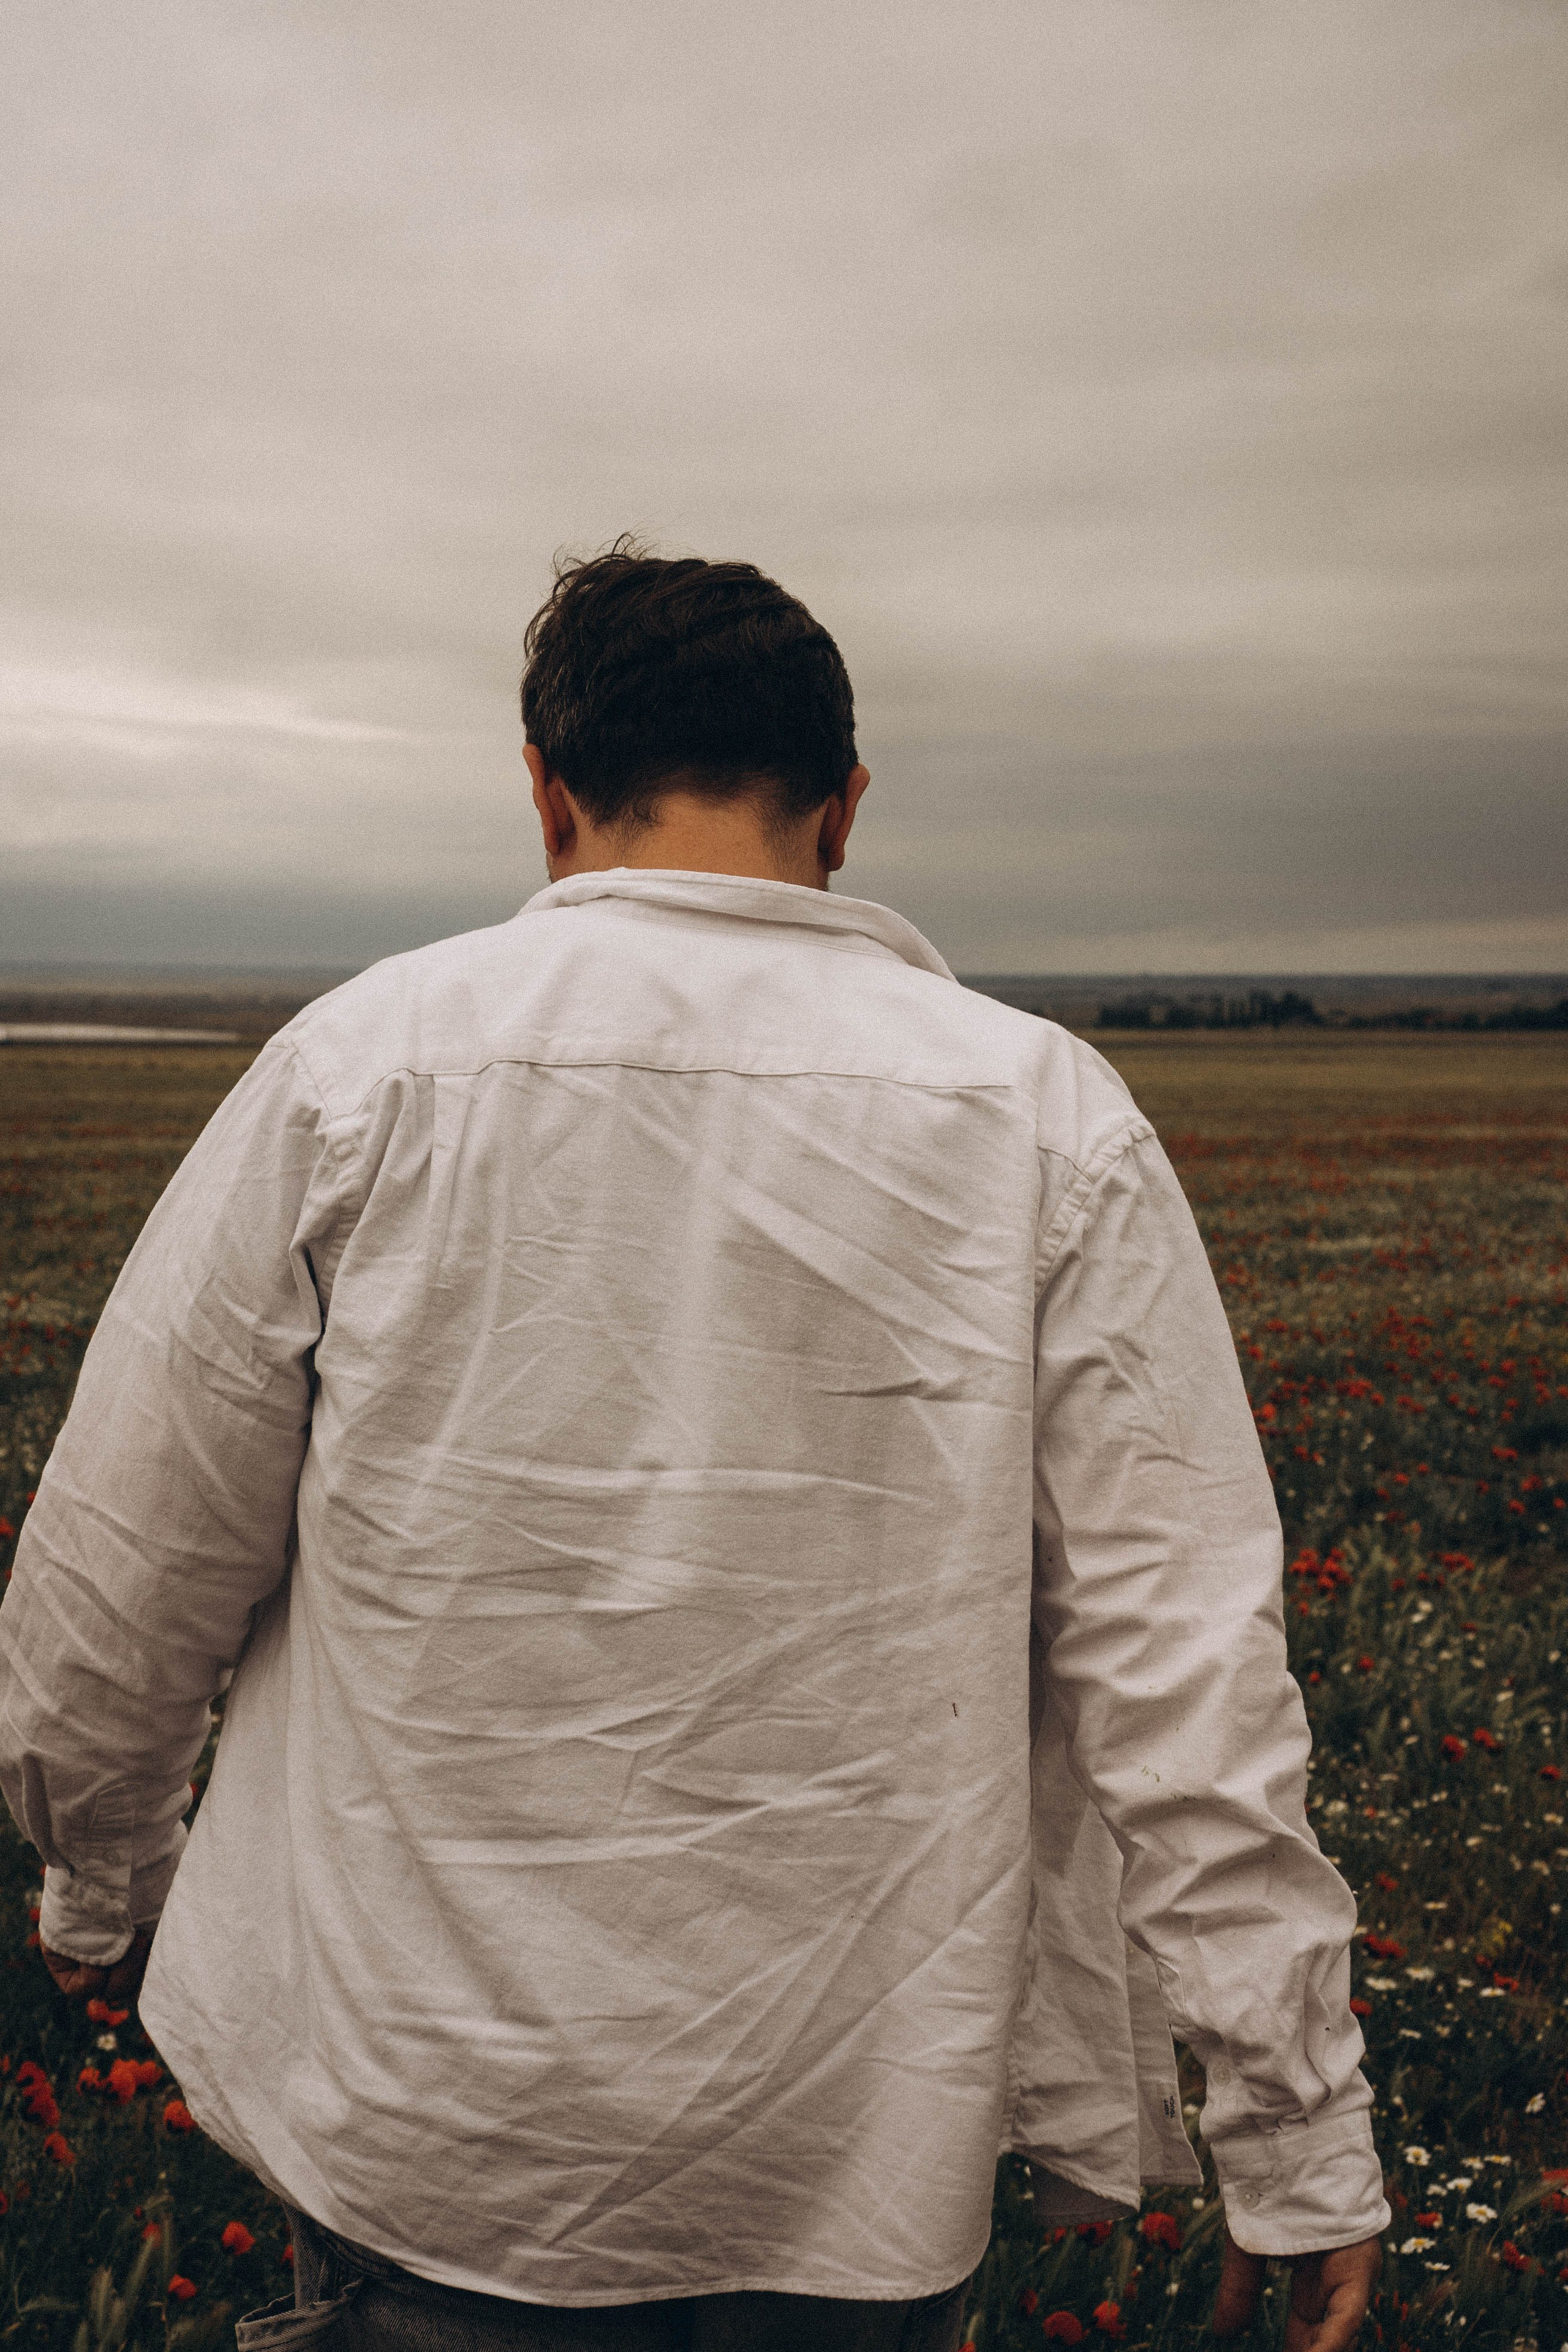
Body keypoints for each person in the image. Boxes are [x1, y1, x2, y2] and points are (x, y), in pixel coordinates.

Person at [0, 545, 1385, 2351]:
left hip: (424, 2125)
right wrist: (1294, 2129)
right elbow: (1187, 1673)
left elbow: (123, 1576)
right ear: (845, 809)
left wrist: (105, 1883)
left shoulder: (359, 1074)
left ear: (548, 793)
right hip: (858, 2162)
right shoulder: (1047, 1118)